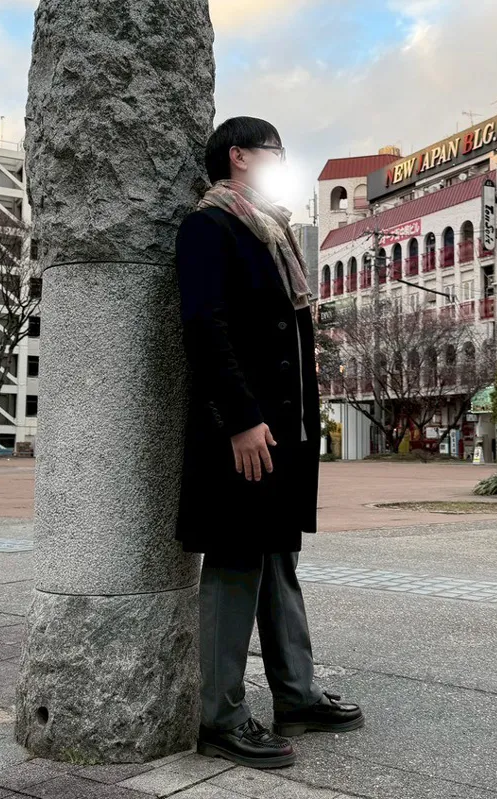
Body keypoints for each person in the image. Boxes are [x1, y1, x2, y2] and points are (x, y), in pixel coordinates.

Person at [174, 116, 364, 770]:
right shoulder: (210, 226)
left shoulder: (272, 230)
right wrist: (241, 418)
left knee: (279, 559)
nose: (282, 162)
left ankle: (297, 695)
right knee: (234, 562)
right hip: (242, 429)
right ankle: (220, 716)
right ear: (239, 156)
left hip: (284, 430)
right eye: (274, 152)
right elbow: (205, 327)